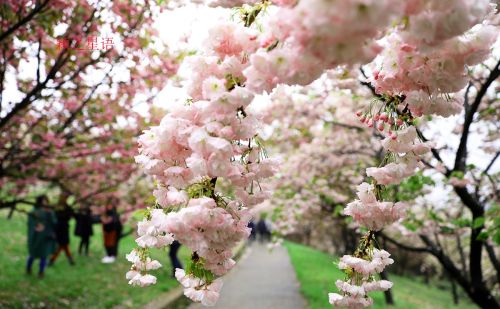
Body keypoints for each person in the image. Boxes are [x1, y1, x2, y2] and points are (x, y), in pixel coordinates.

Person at [27, 195, 57, 278]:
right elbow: (31, 224)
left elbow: (54, 222)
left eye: (46, 201)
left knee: (44, 255)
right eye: (43, 201)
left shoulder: (49, 212)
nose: (44, 203)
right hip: (36, 237)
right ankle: (28, 268)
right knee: (33, 254)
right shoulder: (33, 212)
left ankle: (41, 272)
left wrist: (50, 213)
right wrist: (36, 227)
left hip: (46, 237)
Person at [49, 192, 75, 266]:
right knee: (62, 245)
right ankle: (53, 260)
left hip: (63, 228)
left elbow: (70, 216)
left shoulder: (67, 207)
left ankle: (53, 260)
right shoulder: (58, 207)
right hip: (59, 228)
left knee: (63, 245)